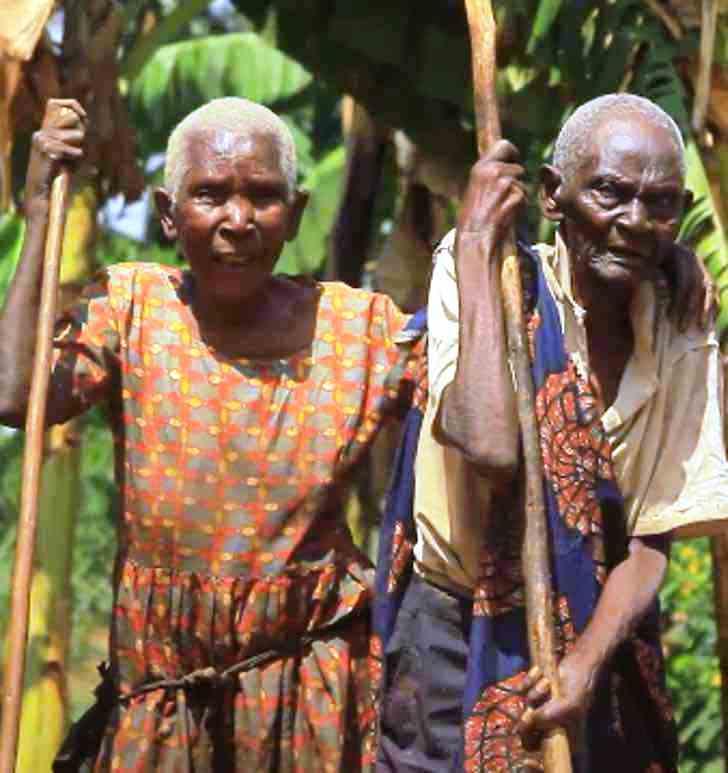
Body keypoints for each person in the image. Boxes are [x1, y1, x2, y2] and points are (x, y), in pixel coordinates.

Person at [0, 96, 426, 772]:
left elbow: (473, 423)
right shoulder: (133, 309)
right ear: (170, 215)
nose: (238, 220)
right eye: (210, 195)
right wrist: (40, 212)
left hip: (308, 700)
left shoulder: (358, 329)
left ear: (295, 210)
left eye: (262, 196)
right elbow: (14, 393)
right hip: (162, 699)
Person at [375, 93, 728, 772]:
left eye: (658, 204)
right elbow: (491, 446)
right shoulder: (484, 270)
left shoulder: (681, 322)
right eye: (610, 193)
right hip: (453, 634)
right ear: (552, 196)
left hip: (602, 637)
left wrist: (586, 662)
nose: (632, 222)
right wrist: (478, 241)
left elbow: (651, 539)